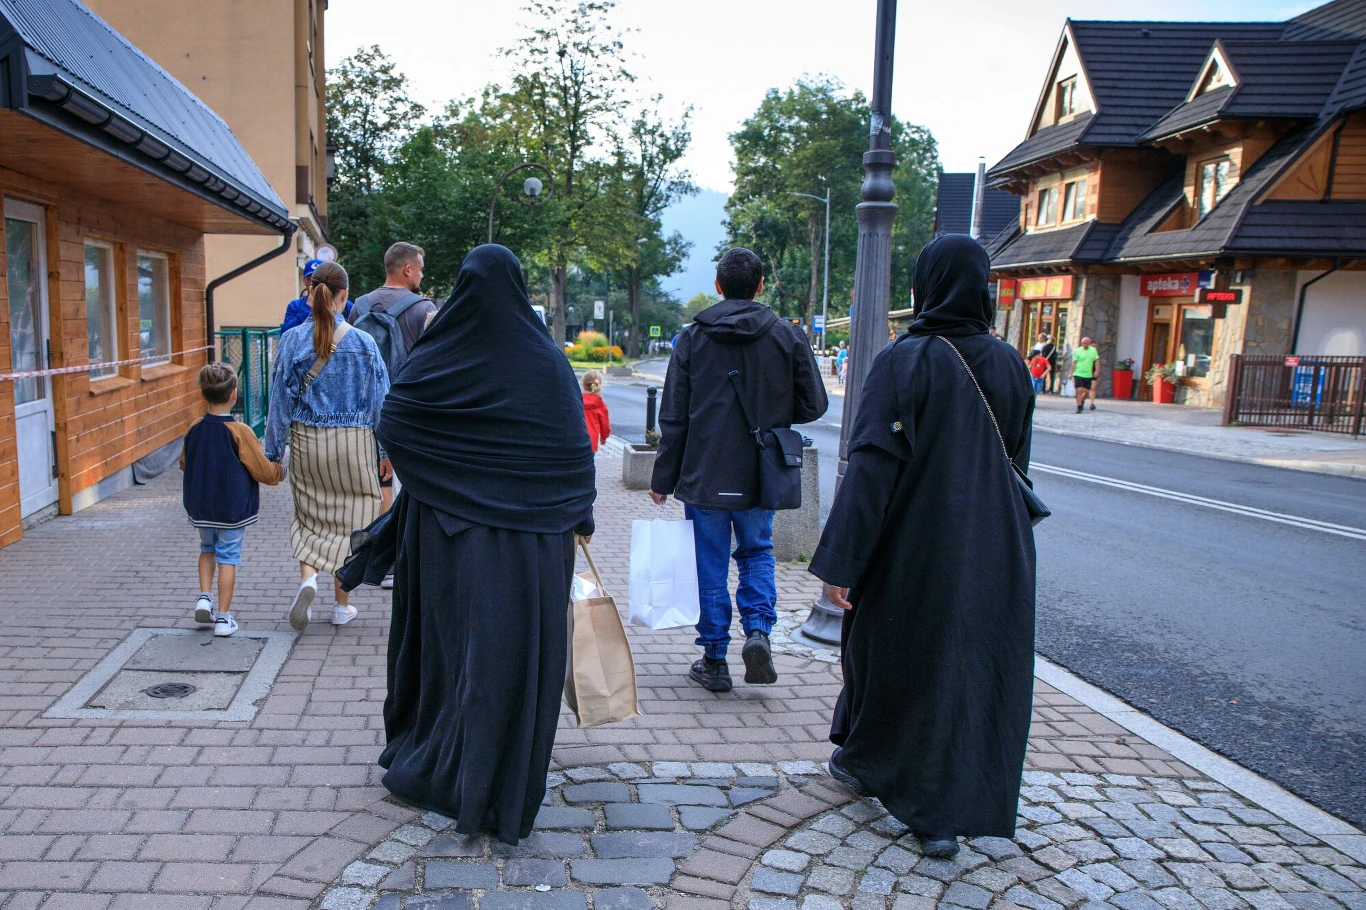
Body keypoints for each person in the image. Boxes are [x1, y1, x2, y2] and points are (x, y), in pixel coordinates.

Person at [809, 234, 1036, 860]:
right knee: (967, 666)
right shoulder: (1011, 363)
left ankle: (928, 807)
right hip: (995, 545)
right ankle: (864, 757)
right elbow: (1018, 461)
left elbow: (872, 469)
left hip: (915, 541)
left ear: (924, 285)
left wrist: (840, 565)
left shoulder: (905, 360)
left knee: (896, 655)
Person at [363, 244, 596, 844]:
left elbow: (396, 420)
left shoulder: (441, 351)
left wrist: (448, 481)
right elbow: (575, 453)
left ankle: (442, 764)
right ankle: (505, 783)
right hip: (533, 548)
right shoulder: (546, 361)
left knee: (451, 655)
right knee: (515, 663)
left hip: (448, 536)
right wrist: (572, 513)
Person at [649, 248, 829, 693]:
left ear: (718, 286)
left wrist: (662, 480)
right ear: (761, 285)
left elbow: (672, 416)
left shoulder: (691, 338)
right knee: (756, 552)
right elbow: (815, 404)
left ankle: (714, 660)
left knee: (707, 564)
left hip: (703, 472)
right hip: (761, 470)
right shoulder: (787, 336)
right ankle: (758, 632)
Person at [265, 261, 391, 630]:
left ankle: (308, 580)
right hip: (355, 445)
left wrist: (273, 454)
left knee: (310, 516)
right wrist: (386, 454)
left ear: (310, 291)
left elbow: (279, 402)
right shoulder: (364, 342)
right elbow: (381, 403)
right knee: (351, 523)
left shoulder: (291, 340)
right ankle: (341, 606)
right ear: (344, 294)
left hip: (307, 442)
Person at [182, 363, 284, 637]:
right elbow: (263, 471)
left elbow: (184, 463)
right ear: (234, 395)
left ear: (203, 395)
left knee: (207, 548)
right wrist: (280, 471)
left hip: (201, 505)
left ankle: (204, 596)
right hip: (232, 509)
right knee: (228, 557)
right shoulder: (240, 431)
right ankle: (224, 619)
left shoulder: (194, 428)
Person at [349, 242, 437, 515]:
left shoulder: (359, 307)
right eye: (420, 270)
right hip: (407, 411)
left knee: (373, 483)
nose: (422, 276)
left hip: (363, 411)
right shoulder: (424, 309)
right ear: (408, 270)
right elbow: (433, 364)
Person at [581, 370, 611, 452]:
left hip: (576, 438)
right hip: (591, 441)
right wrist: (604, 437)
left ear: (583, 384)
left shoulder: (577, 400)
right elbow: (605, 424)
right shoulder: (600, 404)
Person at [1072, 335, 1100, 413]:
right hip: (1078, 373)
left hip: (1088, 374)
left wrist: (1097, 370)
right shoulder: (1078, 351)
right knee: (1079, 390)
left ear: (1089, 343)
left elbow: (1097, 361)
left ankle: (1081, 400)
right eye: (1083, 343)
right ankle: (1079, 406)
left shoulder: (1093, 350)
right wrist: (1071, 373)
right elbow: (1074, 362)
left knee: (1087, 392)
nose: (1085, 345)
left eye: (1086, 343)